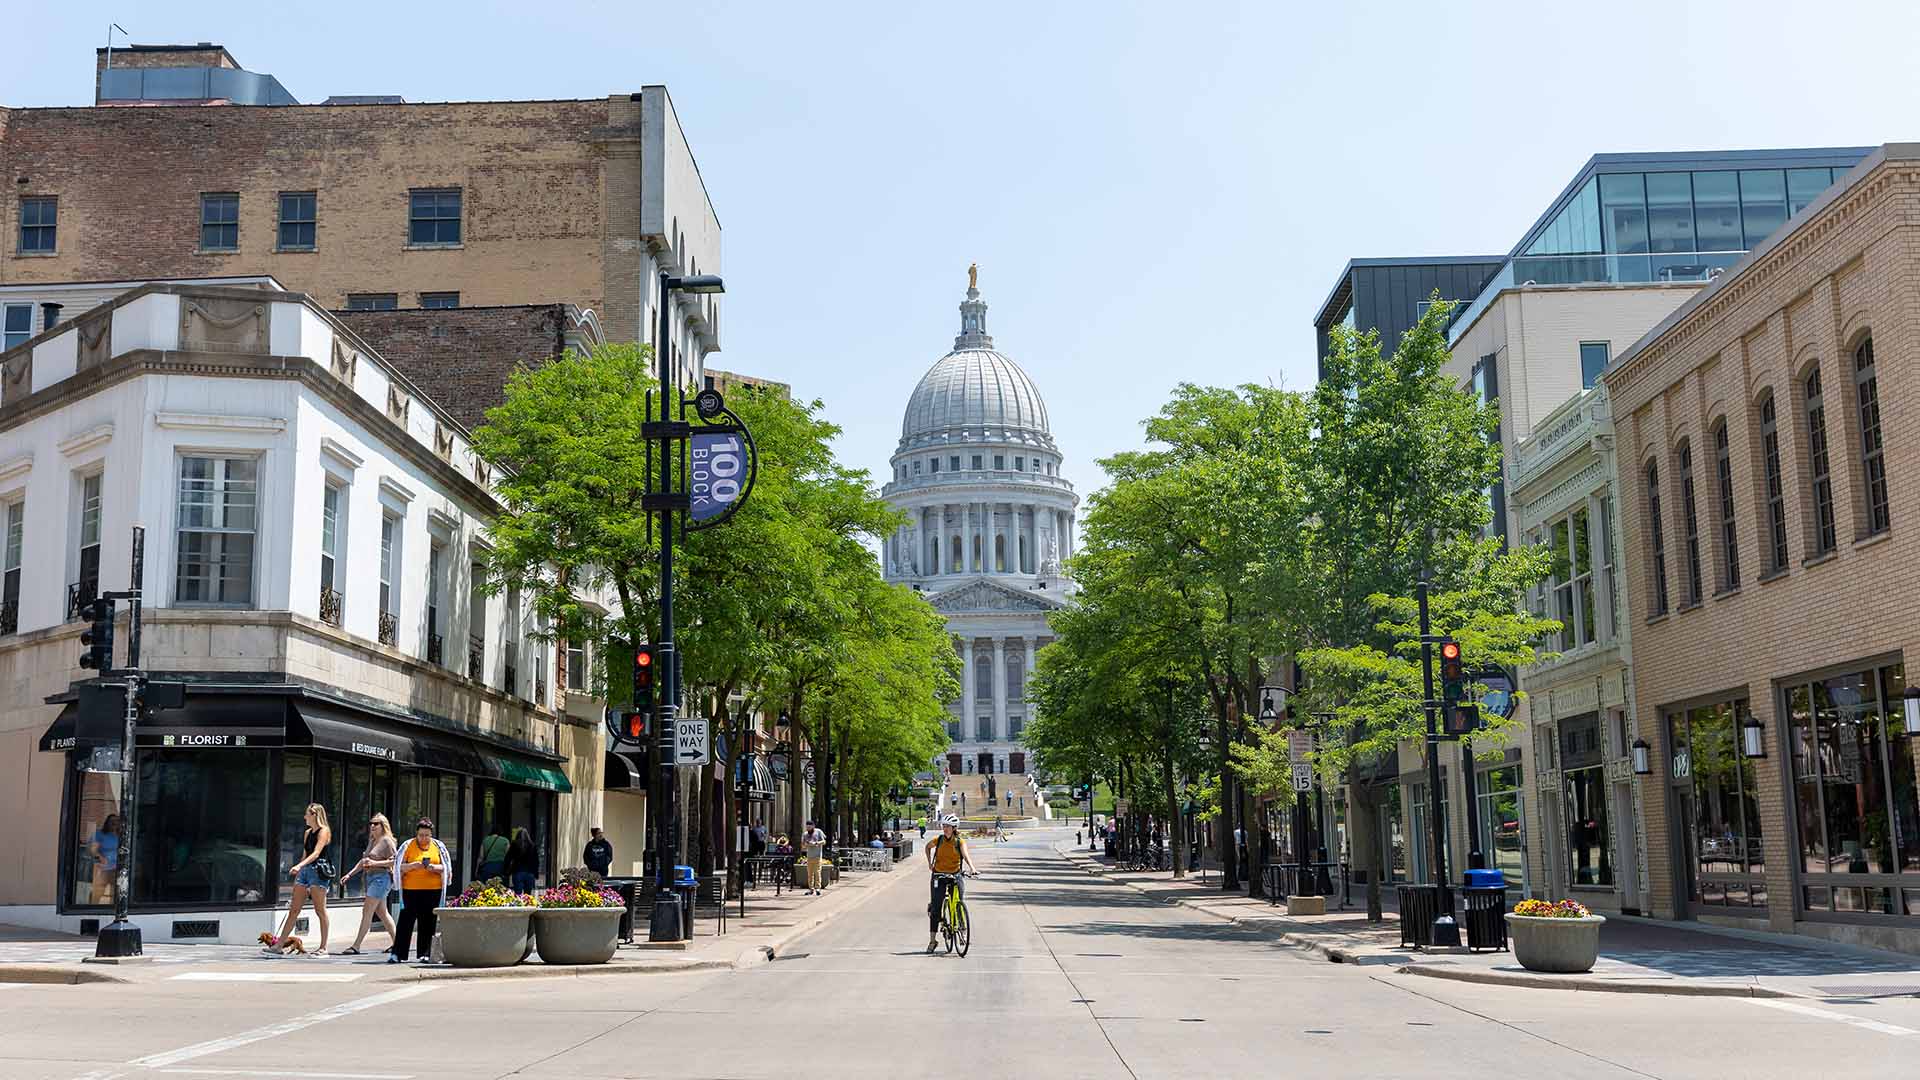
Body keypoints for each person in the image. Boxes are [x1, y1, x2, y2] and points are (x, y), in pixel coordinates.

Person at [267, 803, 332, 956]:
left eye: (307, 814)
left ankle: (323, 947)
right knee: (294, 910)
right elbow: (306, 853)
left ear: (315, 815)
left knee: (320, 910)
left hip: (318, 871)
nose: (304, 817)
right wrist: (299, 873)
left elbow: (316, 853)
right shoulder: (307, 832)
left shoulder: (324, 831)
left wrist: (299, 865)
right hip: (305, 871)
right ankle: (279, 946)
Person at [391, 818, 451, 964]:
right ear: (416, 834)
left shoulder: (438, 846)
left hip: (433, 890)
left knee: (428, 922)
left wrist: (433, 868)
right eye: (421, 835)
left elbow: (446, 867)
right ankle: (398, 953)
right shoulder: (407, 846)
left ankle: (425, 953)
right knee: (406, 921)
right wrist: (412, 866)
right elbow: (398, 866)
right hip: (411, 890)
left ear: (431, 835)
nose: (424, 838)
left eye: (427, 835)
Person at [339, 813, 399, 956]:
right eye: (371, 823)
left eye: (376, 823)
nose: (372, 826)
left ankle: (356, 946)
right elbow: (364, 861)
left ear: (383, 826)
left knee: (367, 911)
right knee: (382, 913)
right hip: (370, 878)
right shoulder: (373, 840)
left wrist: (375, 863)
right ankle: (398, 943)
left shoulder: (387, 841)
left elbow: (396, 861)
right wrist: (349, 874)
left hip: (381, 878)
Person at [925, 814, 979, 953]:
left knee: (959, 903)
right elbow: (927, 847)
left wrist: (972, 868)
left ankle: (962, 932)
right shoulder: (939, 839)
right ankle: (932, 940)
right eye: (944, 826)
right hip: (939, 875)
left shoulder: (959, 842)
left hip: (955, 874)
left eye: (947, 826)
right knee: (936, 907)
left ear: (954, 828)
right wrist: (930, 863)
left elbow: (966, 856)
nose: (945, 829)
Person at [88, 814, 120, 905]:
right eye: (112, 821)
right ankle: (91, 911)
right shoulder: (99, 834)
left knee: (116, 893)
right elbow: (92, 850)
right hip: (103, 868)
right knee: (98, 892)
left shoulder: (121, 835)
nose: (114, 823)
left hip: (118, 868)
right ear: (107, 823)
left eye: (117, 821)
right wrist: (100, 858)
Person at [505, 827, 538, 894]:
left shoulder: (514, 845)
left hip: (517, 872)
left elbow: (508, 858)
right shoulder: (532, 846)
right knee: (528, 897)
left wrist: (506, 871)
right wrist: (536, 873)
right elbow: (536, 861)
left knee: (518, 895)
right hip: (529, 872)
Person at [801, 820, 827, 895]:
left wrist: (816, 843)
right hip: (809, 856)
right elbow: (803, 845)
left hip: (817, 856)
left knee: (817, 872)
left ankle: (818, 888)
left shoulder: (818, 832)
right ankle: (810, 889)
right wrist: (807, 844)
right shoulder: (805, 834)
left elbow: (824, 841)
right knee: (810, 873)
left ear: (813, 826)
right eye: (807, 827)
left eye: (809, 827)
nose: (808, 828)